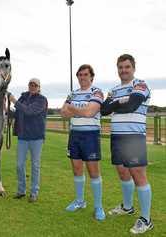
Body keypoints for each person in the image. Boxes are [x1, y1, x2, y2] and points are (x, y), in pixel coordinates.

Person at [101, 54, 153, 234]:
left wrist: (115, 104)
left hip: (133, 137)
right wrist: (118, 102)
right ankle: (127, 207)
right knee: (122, 172)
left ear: (133, 68)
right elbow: (104, 110)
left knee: (138, 175)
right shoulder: (114, 89)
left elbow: (132, 105)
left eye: (127, 67)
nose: (123, 70)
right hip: (117, 136)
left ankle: (146, 219)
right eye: (120, 67)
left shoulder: (140, 85)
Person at [60, 64, 106, 221]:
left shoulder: (97, 91)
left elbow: (90, 112)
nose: (82, 77)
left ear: (91, 76)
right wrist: (77, 110)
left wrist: (72, 109)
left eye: (85, 74)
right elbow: (62, 113)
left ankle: (98, 206)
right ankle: (80, 201)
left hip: (91, 135)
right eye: (79, 75)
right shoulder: (73, 93)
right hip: (75, 135)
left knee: (93, 172)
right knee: (77, 169)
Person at [9, 78, 48, 202]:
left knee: (35, 165)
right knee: (19, 165)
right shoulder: (23, 98)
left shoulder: (42, 100)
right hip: (23, 136)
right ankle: (21, 191)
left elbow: (29, 111)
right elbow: (17, 113)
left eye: (35, 85)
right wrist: (6, 110)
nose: (32, 86)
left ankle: (34, 192)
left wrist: (13, 100)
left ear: (39, 87)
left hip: (36, 137)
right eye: (31, 84)